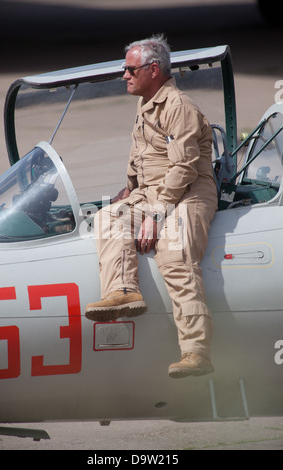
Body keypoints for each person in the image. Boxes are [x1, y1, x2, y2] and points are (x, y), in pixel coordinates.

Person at [85, 34, 218, 378]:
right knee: (108, 217)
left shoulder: (179, 107)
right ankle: (124, 292)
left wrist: (155, 215)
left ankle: (196, 352)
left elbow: (184, 168)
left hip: (189, 192)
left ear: (153, 69)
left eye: (130, 69)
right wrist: (127, 194)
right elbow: (143, 162)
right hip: (153, 191)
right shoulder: (147, 106)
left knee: (175, 256)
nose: (124, 75)